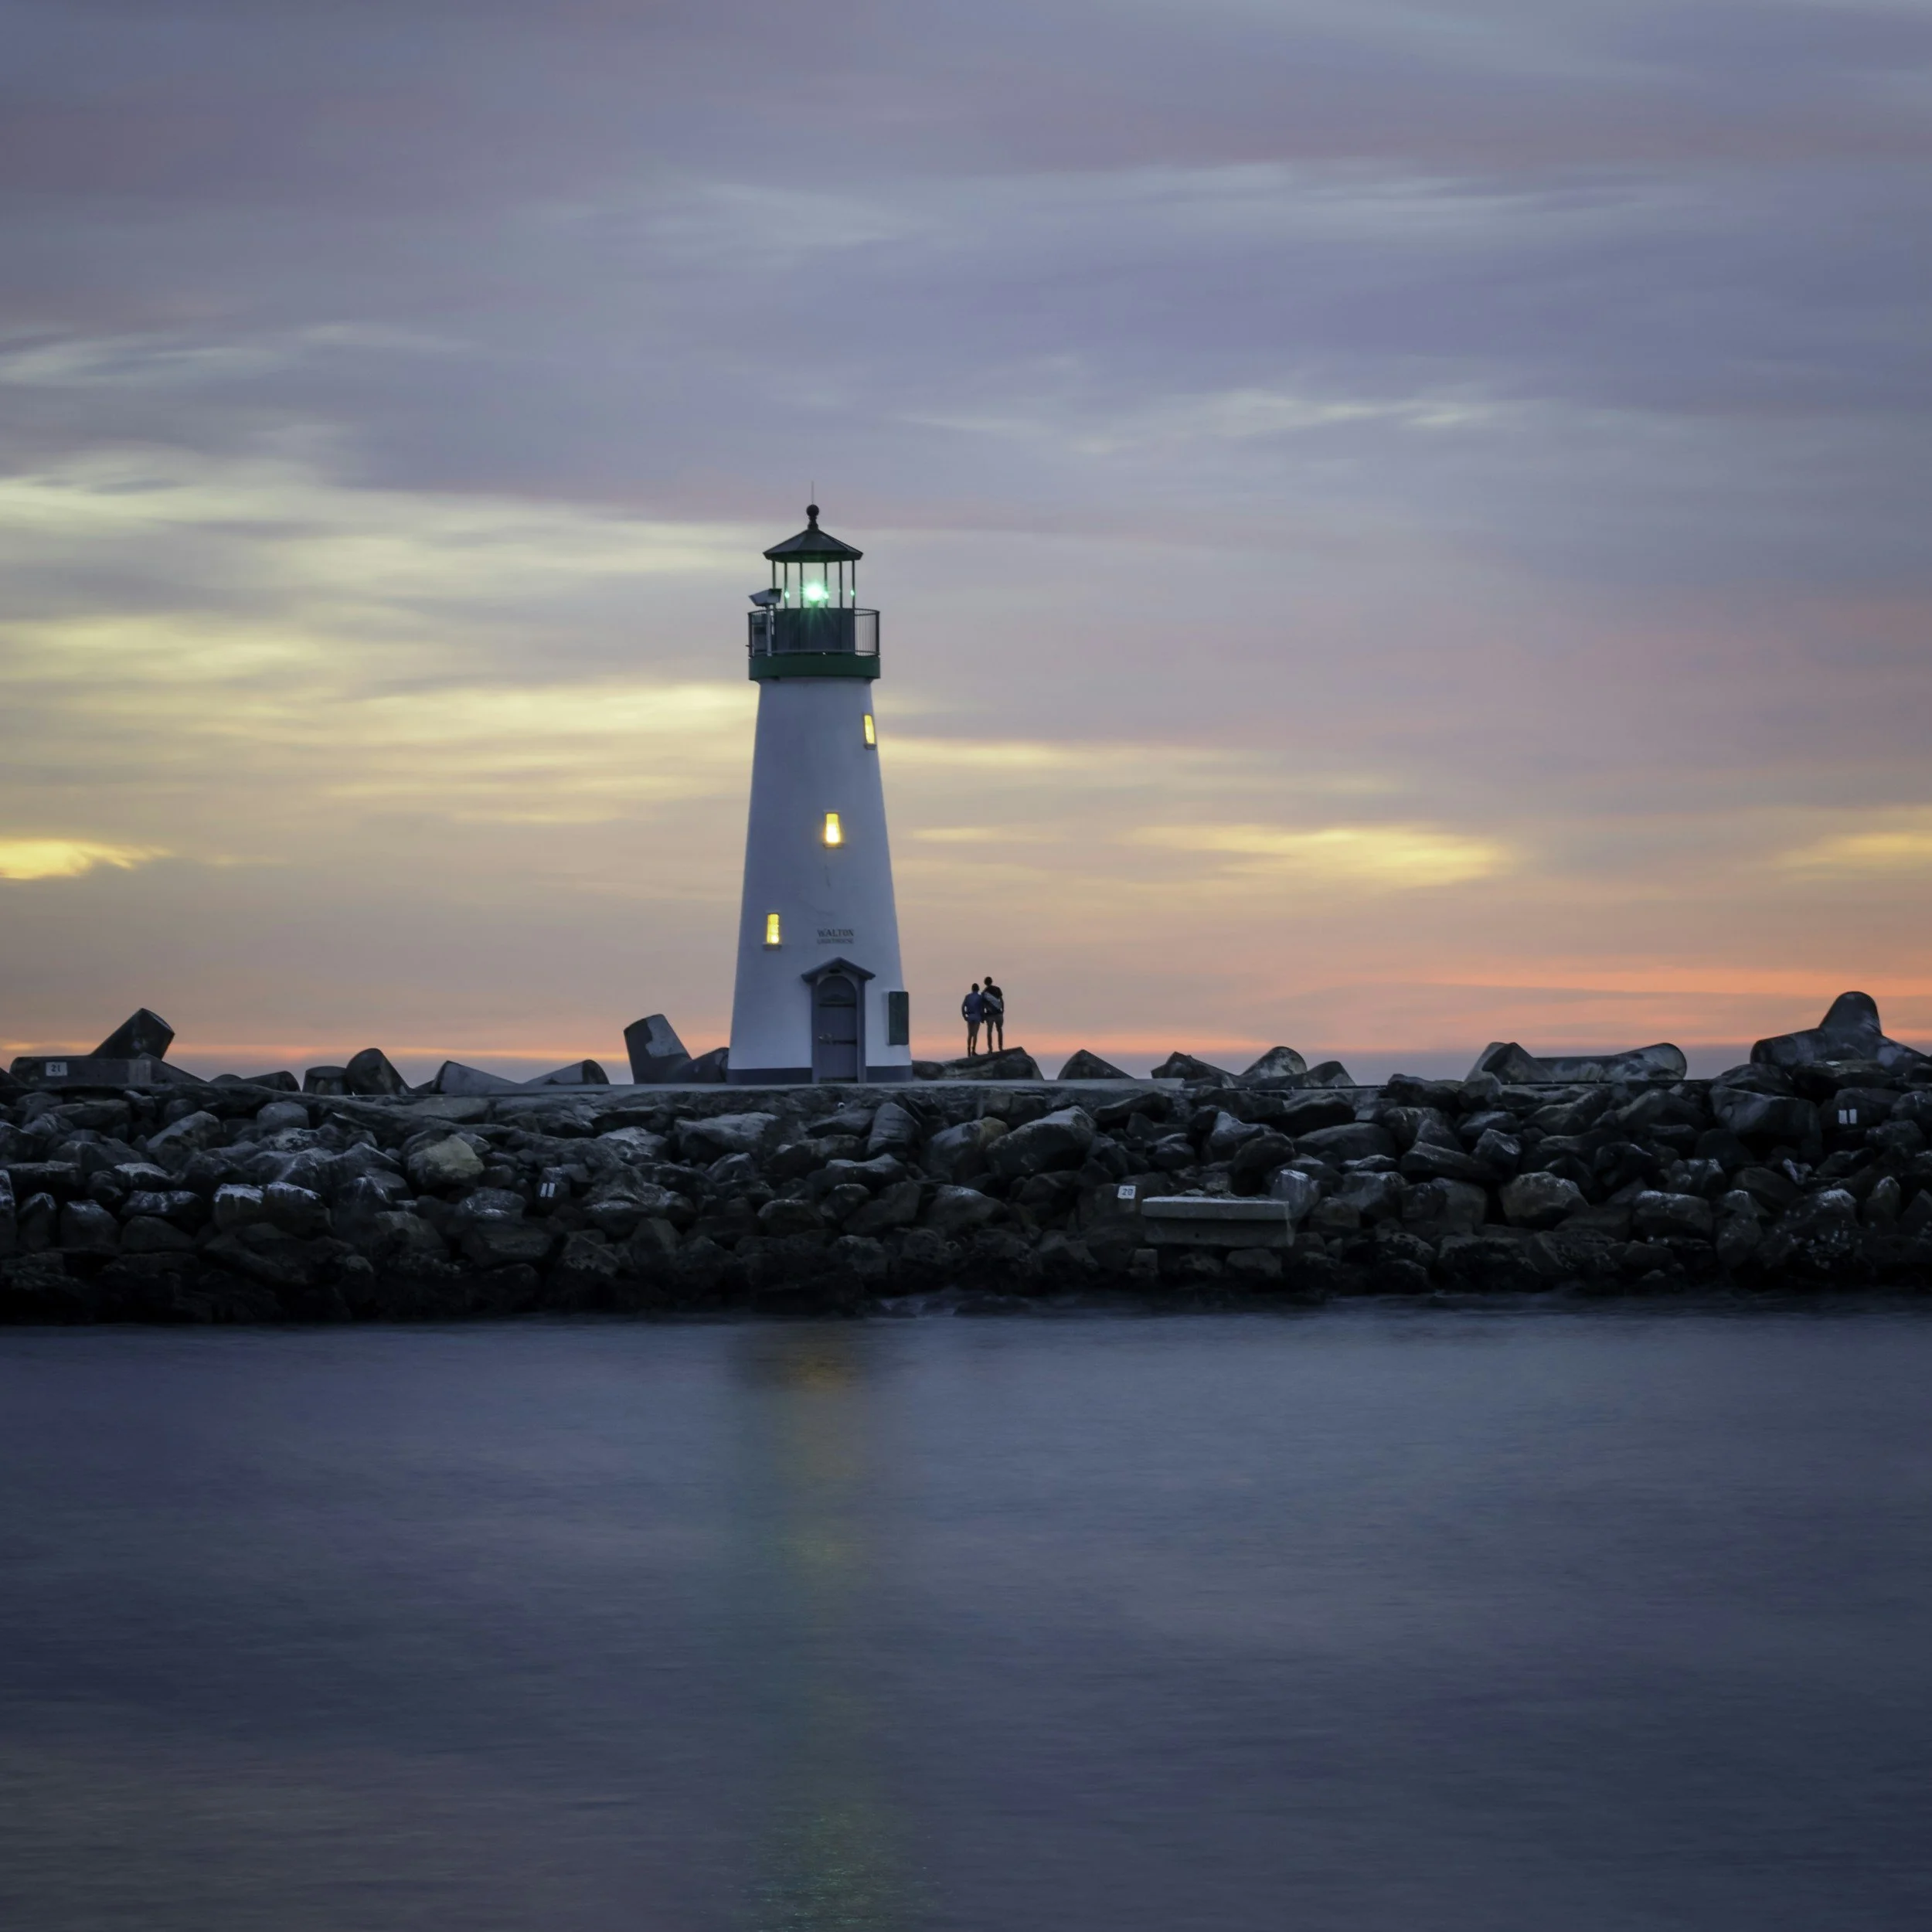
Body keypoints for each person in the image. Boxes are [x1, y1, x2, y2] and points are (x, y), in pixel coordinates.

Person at [980, 973, 1005, 1052]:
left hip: (990, 1015)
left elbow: (983, 1005)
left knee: (989, 1031)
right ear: (992, 981)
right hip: (998, 1013)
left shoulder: (984, 993)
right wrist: (1003, 1009)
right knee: (999, 1030)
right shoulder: (997, 989)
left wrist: (983, 1015)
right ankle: (1000, 1047)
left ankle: (990, 1049)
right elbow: (1001, 1000)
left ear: (985, 983)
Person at [961, 981, 985, 1057]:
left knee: (970, 1034)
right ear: (978, 989)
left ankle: (968, 1050)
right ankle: (973, 1051)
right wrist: (983, 1017)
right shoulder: (980, 997)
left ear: (972, 989)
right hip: (977, 1016)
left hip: (970, 1016)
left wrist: (964, 1016)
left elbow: (963, 1007)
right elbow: (982, 1008)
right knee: (975, 1034)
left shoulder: (967, 997)